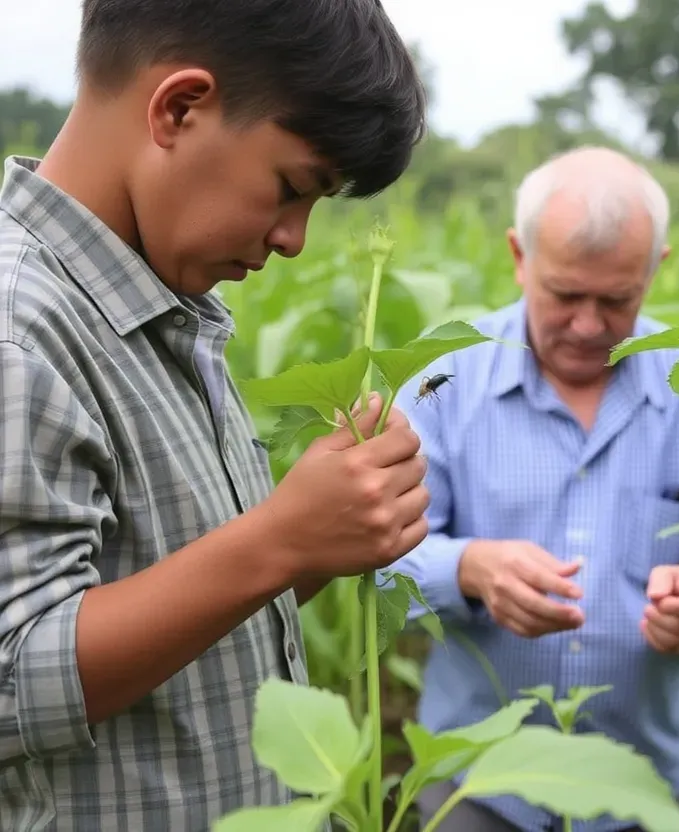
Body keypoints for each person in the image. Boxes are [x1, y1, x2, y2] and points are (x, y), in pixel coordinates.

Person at [0, 1, 430, 829]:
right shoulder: (20, 325)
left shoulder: (166, 312)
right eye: (292, 188)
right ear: (179, 108)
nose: (294, 239)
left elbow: (173, 596)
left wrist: (316, 545)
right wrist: (279, 541)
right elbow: (13, 673)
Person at [383, 146, 679, 832]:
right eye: (566, 295)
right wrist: (470, 569)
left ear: (654, 270)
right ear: (519, 256)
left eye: (617, 299)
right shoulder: (442, 376)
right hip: (478, 788)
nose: (590, 325)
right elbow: (381, 561)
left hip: (645, 783)